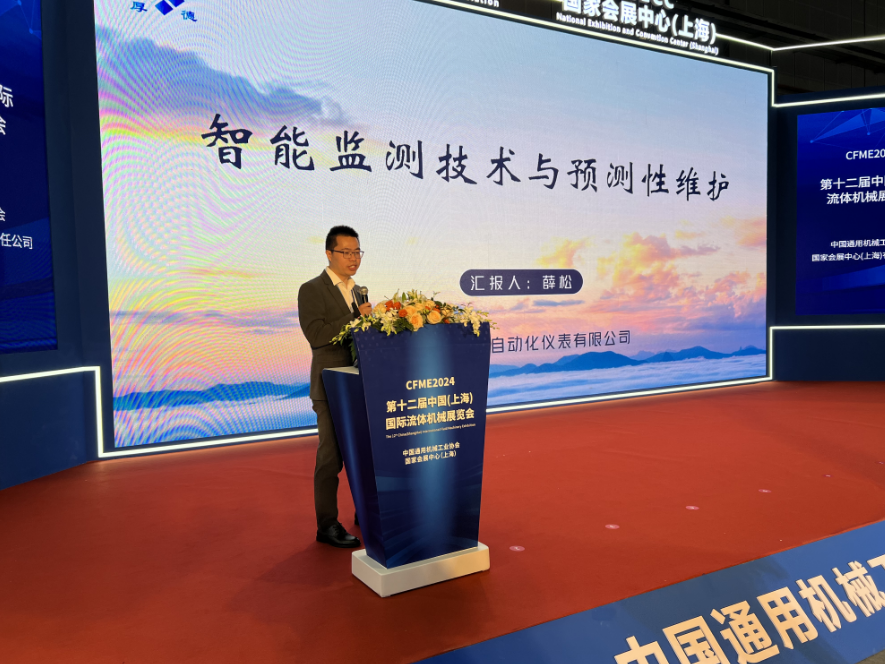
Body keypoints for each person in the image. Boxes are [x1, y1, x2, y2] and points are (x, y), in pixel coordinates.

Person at [297, 226, 373, 548]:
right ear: (329, 253)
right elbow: (316, 335)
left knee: (364, 452)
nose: (353, 258)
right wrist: (356, 316)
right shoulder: (311, 289)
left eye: (357, 252)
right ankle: (327, 525)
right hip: (330, 386)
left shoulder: (358, 290)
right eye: (346, 252)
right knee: (331, 458)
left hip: (358, 384)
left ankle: (366, 512)